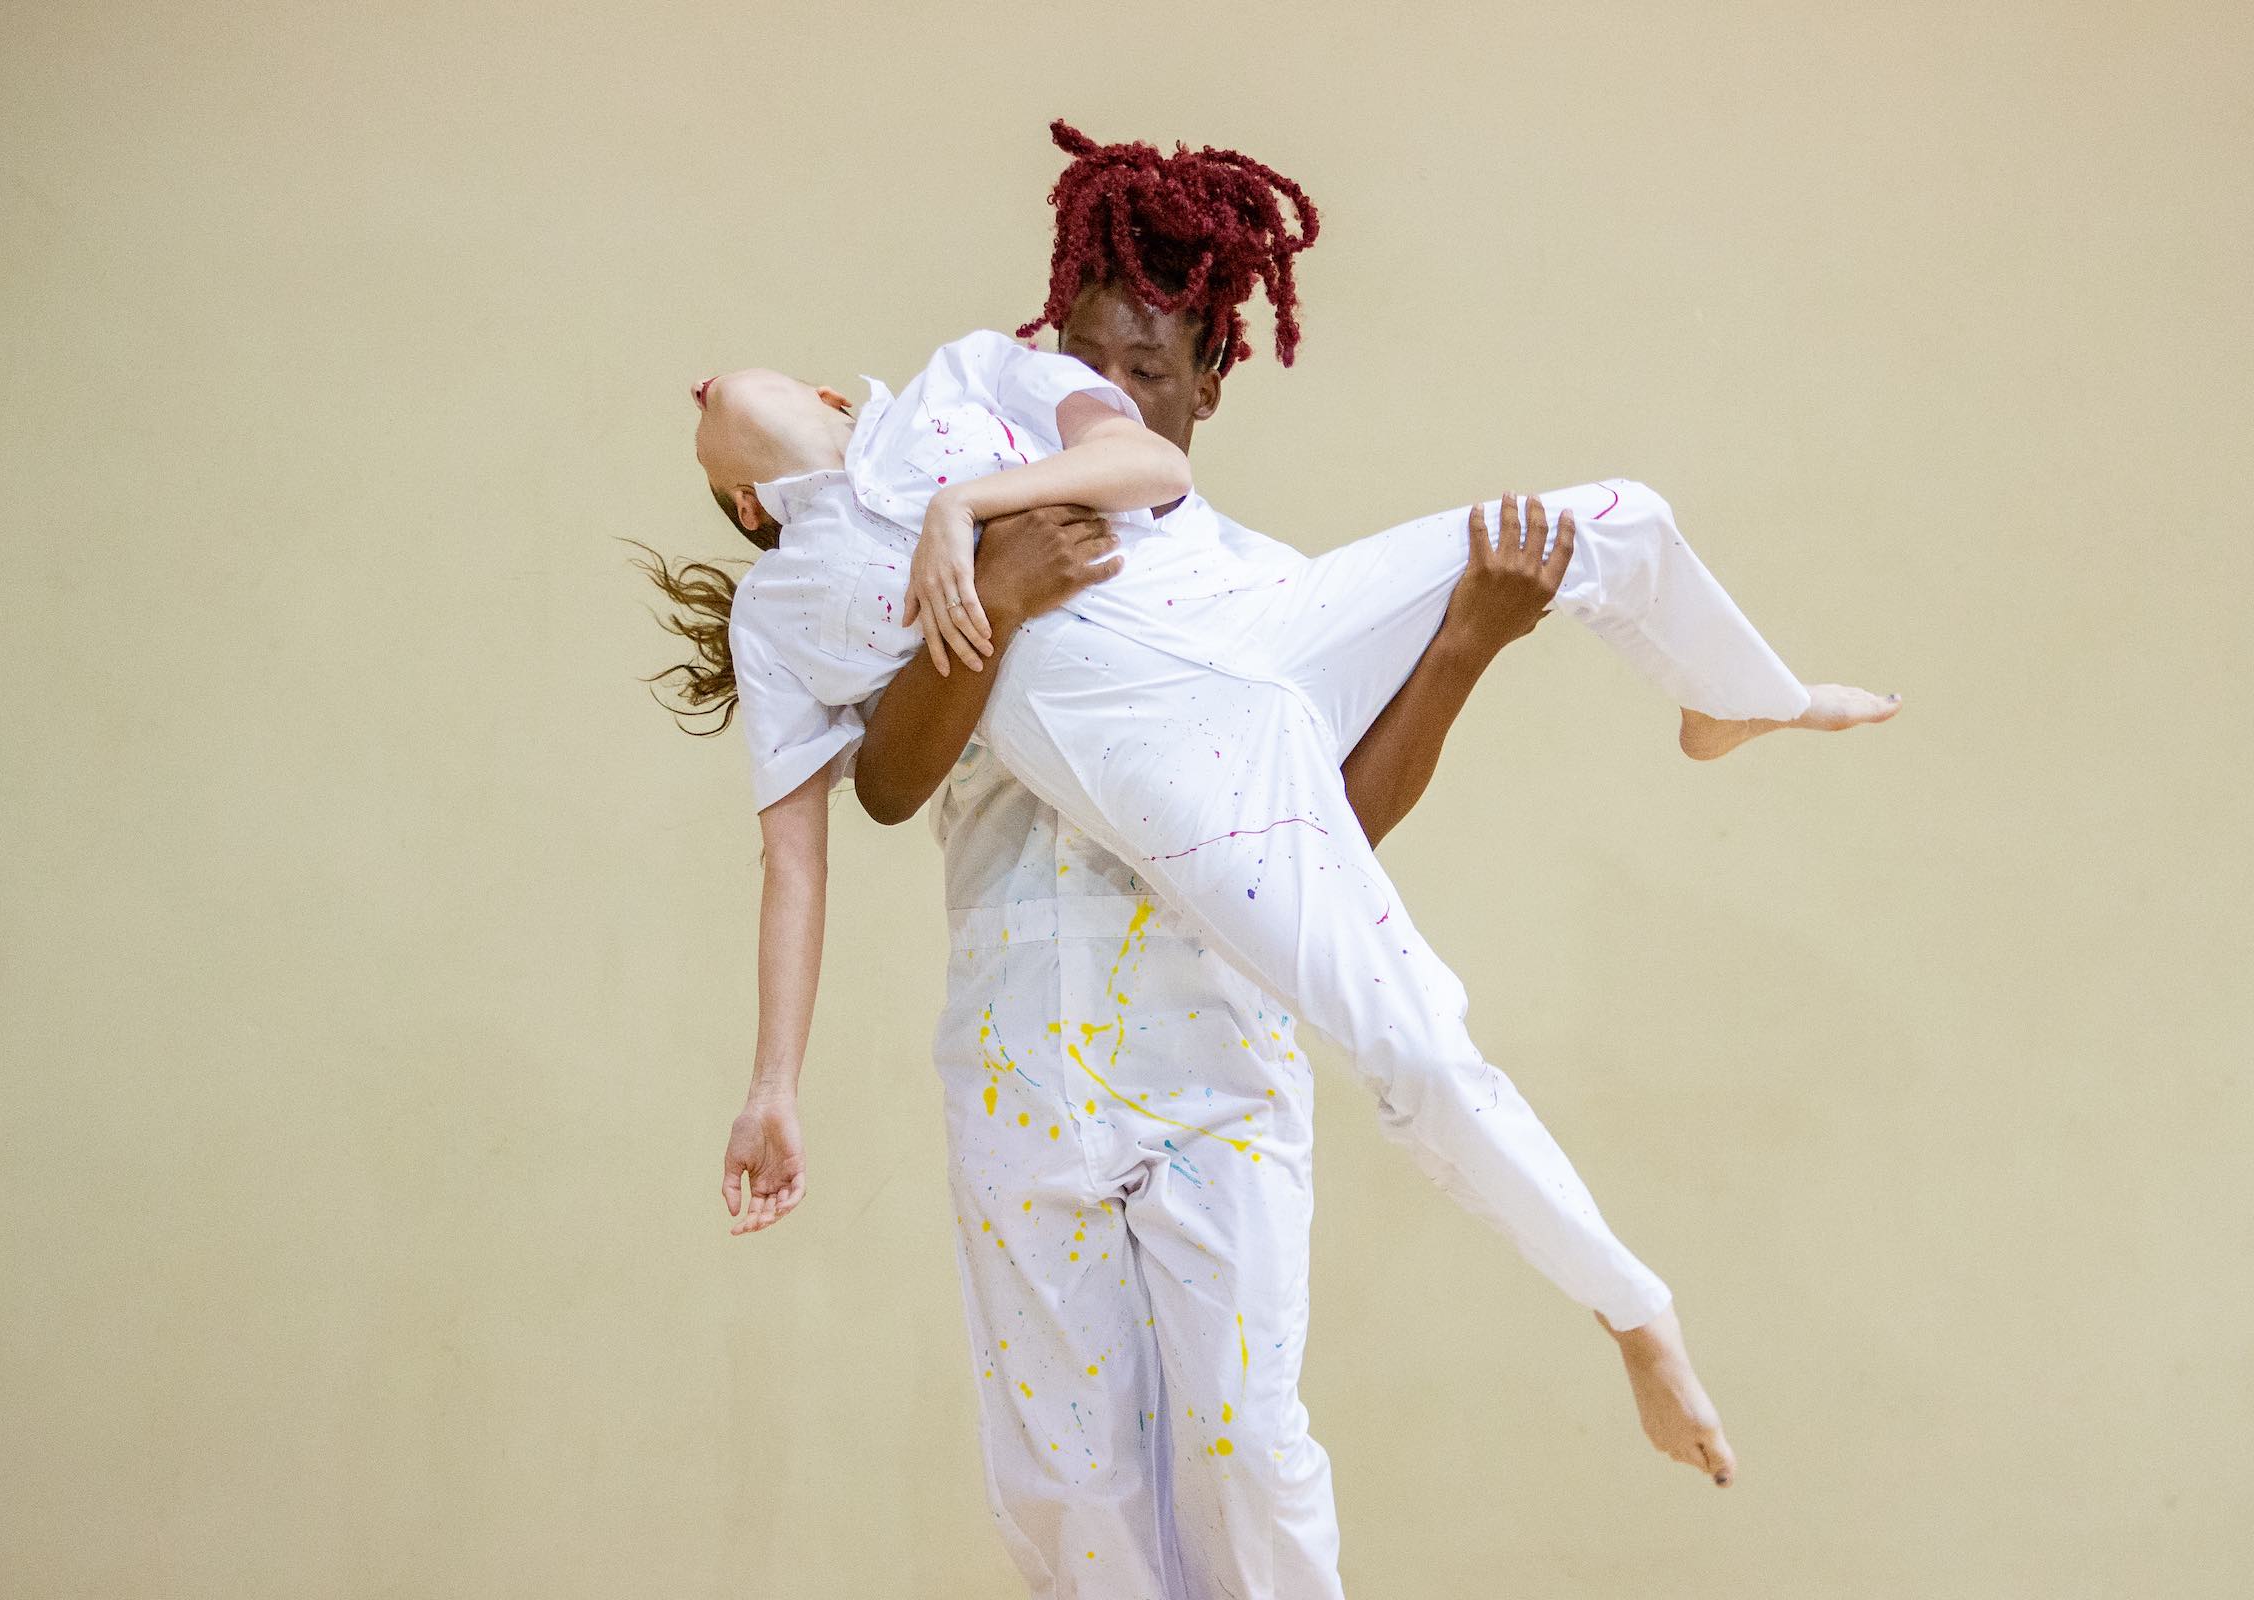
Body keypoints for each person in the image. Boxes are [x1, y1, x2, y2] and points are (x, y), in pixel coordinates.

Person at [652, 120, 1897, 1598]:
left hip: (1214, 1001)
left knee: (1252, 1442)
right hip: (1026, 1052)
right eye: (1091, 358)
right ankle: (1635, 1306)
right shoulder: (867, 521)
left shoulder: (1121, 502)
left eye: (1149, 374)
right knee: (1069, 1481)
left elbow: (1334, 819)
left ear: (1209, 386)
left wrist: (1463, 648)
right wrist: (774, 1084)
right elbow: (869, 801)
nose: (1109, 394)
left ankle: (1737, 698)